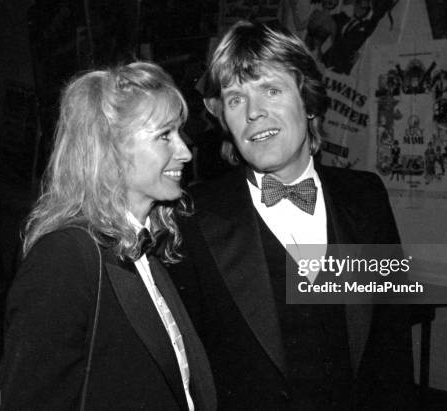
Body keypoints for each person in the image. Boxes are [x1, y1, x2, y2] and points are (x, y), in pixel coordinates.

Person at [169, 21, 415, 410]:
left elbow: (391, 351)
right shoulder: (193, 218)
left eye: (271, 89)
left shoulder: (366, 197)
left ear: (308, 101)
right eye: (235, 99)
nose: (253, 112)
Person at [0, 62, 216, 410]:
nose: (186, 151)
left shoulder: (144, 249)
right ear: (111, 149)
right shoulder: (65, 257)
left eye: (180, 134)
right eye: (164, 136)